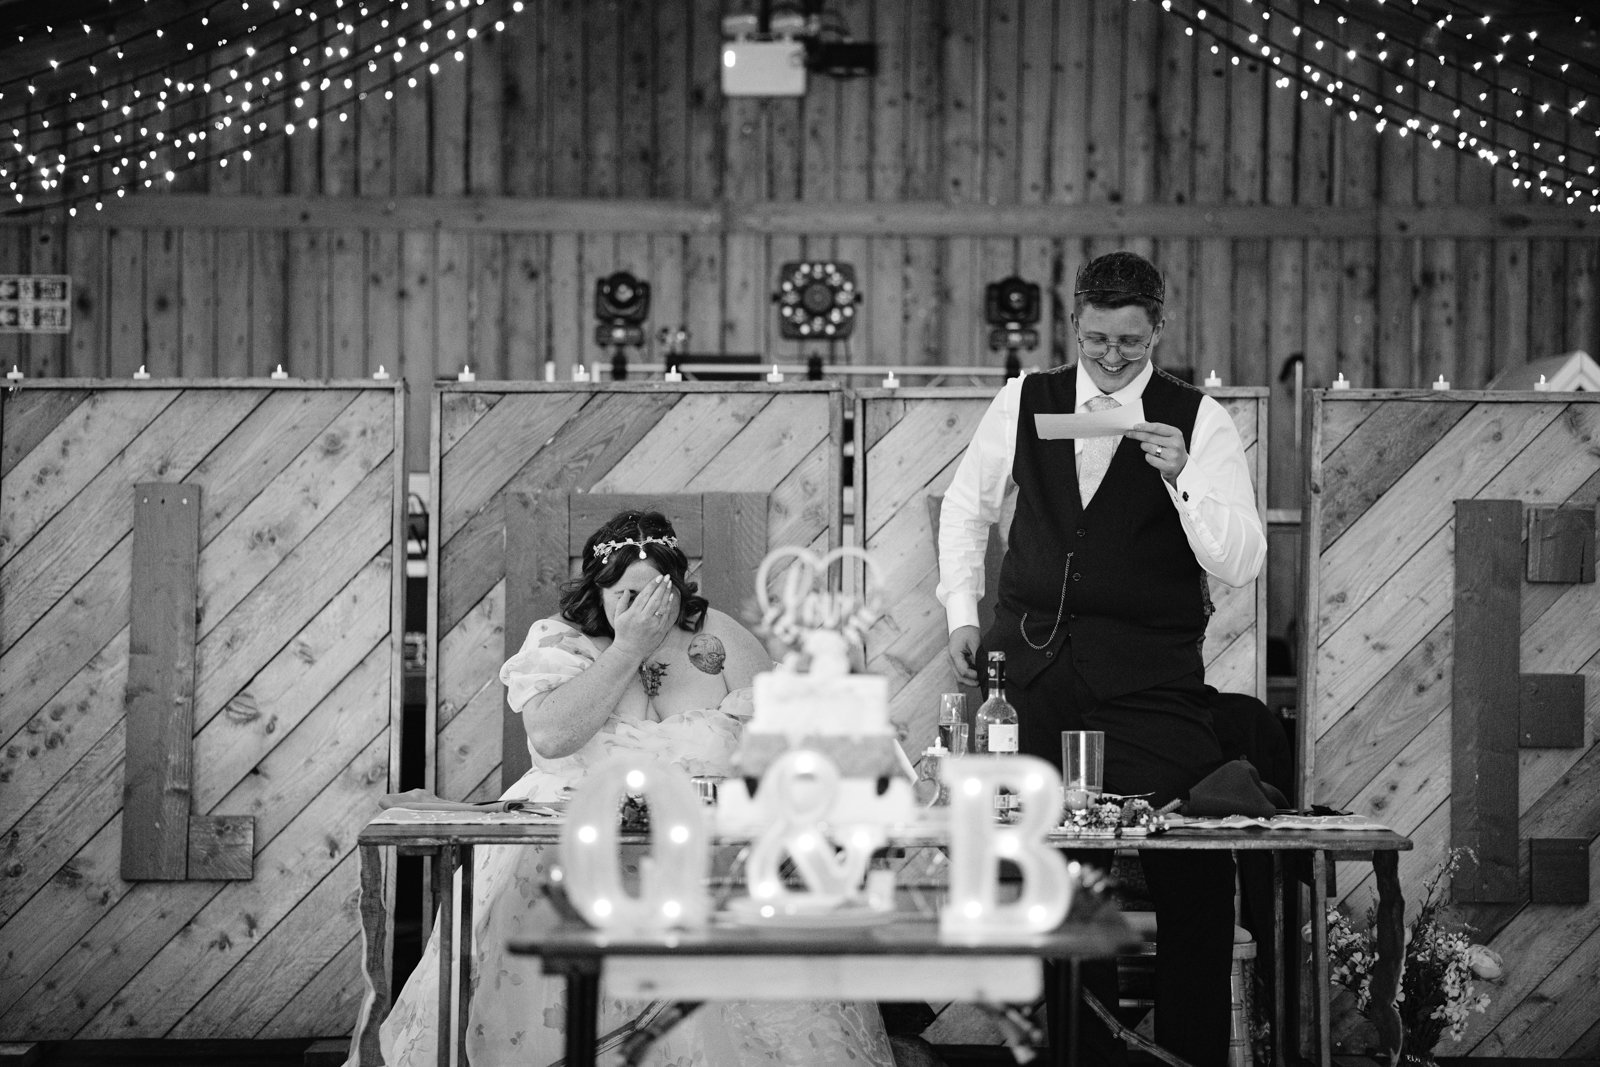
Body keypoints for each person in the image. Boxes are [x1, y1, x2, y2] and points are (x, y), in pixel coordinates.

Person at [375, 509, 896, 1066]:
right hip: (567, 843)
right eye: (626, 593)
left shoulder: (721, 636)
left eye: (658, 594)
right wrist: (627, 648)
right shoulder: (560, 641)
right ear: (596, 591)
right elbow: (551, 737)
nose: (644, 609)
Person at [936, 251, 1266, 1067]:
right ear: (1073, 326)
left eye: (1129, 340)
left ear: (1159, 327)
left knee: (1194, 868)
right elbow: (966, 505)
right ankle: (1069, 1054)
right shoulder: (1025, 400)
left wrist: (1182, 477)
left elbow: (1242, 560)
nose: (1112, 357)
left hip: (1150, 682)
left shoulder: (1202, 419)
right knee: (1050, 871)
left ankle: (1190, 1053)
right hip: (1031, 676)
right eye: (1095, 340)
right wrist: (958, 611)